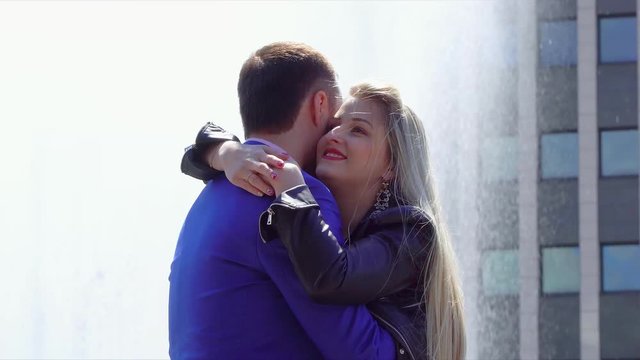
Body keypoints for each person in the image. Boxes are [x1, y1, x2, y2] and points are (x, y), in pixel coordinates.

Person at [184, 84, 466, 359]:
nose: (334, 135)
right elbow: (192, 155)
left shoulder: (411, 230)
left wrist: (294, 194)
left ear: (392, 165)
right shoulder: (323, 212)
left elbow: (333, 279)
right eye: (333, 126)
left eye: (358, 130)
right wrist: (226, 153)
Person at [170, 42, 397, 359]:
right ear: (319, 105)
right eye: (335, 121)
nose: (336, 136)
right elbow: (365, 354)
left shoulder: (210, 195)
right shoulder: (296, 195)